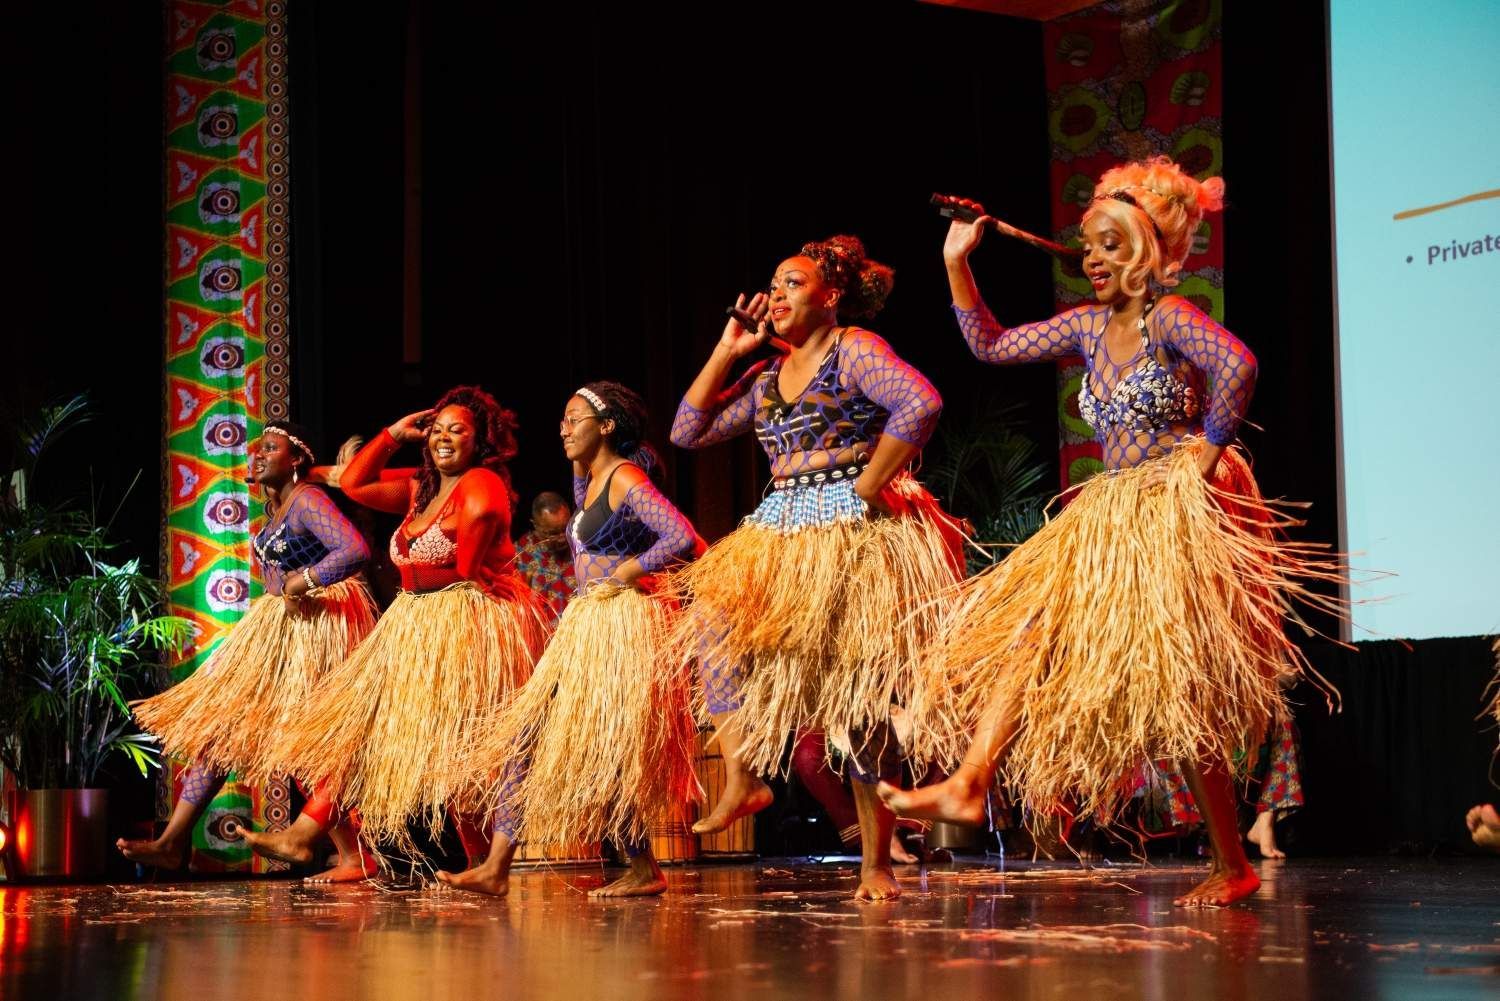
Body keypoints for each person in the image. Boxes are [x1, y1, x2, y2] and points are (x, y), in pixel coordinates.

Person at [880, 157, 1343, 907]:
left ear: (1148, 249)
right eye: (1087, 246)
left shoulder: (1171, 318)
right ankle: (969, 780)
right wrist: (955, 261)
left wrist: (1210, 448)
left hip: (1170, 513)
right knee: (1030, 632)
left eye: (1108, 245)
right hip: (1109, 515)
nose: (1092, 259)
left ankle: (1232, 860)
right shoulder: (1087, 328)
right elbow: (990, 346)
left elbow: (1238, 364)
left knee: (1177, 689)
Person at [669, 235, 964, 901]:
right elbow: (688, 431)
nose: (776, 295)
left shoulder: (852, 349)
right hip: (781, 527)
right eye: (772, 284)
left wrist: (865, 487)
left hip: (846, 530)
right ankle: (745, 776)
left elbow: (919, 402)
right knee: (714, 618)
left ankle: (876, 863)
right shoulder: (767, 377)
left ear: (831, 295)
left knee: (852, 699)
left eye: (792, 283)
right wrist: (728, 349)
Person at [243, 387, 547, 864]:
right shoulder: (420, 488)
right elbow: (355, 483)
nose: (444, 437)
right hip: (417, 623)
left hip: (463, 624)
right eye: (437, 429)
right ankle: (482, 867)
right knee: (406, 744)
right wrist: (392, 435)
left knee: (452, 752)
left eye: (458, 430)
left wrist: (468, 567)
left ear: (480, 441)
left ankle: (306, 834)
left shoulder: (481, 480)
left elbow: (486, 511)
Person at [439, 382, 702, 898]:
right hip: (586, 625)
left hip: (619, 622)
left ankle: (643, 868)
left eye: (575, 418)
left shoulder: (625, 477)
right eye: (562, 418)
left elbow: (681, 536)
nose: (563, 427)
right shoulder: (590, 478)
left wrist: (628, 570)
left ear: (606, 427)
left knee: (603, 745)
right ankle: (498, 867)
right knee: (530, 737)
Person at [124, 422, 378, 881]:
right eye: (256, 449)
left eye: (270, 448)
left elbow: (354, 549)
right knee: (223, 730)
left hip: (319, 628)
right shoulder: (278, 505)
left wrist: (305, 581)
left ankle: (353, 855)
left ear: (295, 458)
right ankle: (172, 841)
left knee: (308, 743)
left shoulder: (309, 501)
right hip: (283, 628)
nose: (257, 455)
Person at [514, 491, 577, 623]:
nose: (561, 538)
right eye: (553, 533)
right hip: (542, 636)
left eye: (565, 529)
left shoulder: (581, 545)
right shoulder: (521, 554)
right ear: (535, 525)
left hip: (579, 634)